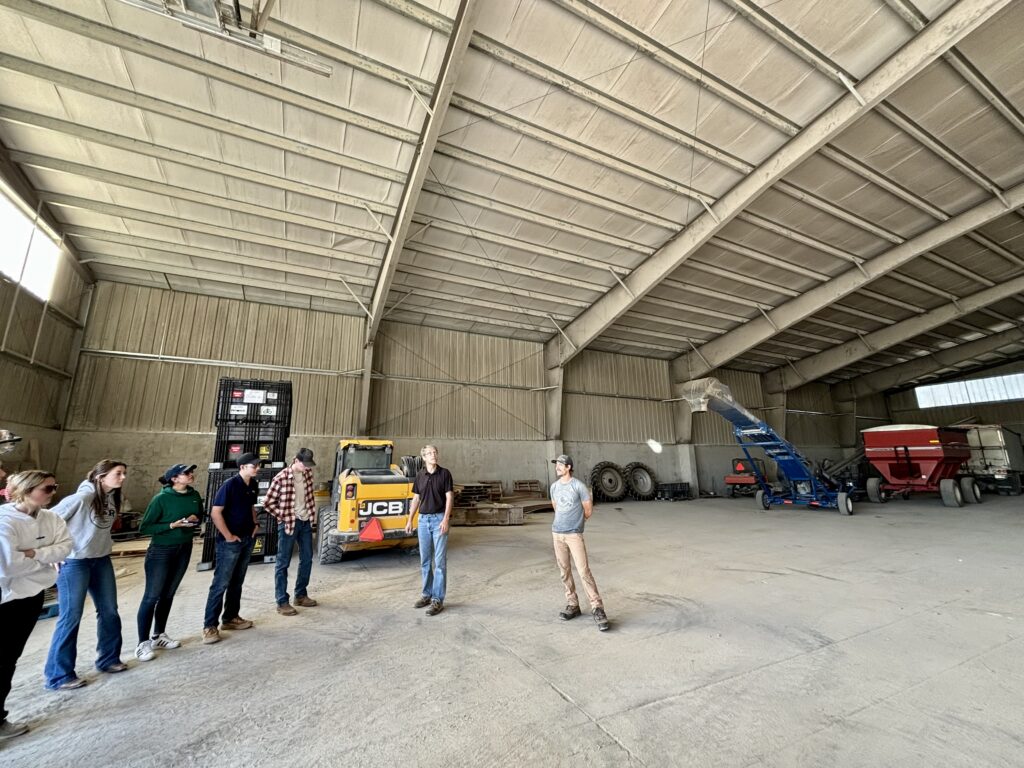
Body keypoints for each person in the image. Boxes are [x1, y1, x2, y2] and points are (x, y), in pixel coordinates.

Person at [44, 460, 130, 690]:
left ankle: (108, 658)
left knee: (110, 610)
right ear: (101, 476)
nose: (122, 478)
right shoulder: (81, 498)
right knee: (71, 615)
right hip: (75, 562)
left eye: (123, 474)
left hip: (100, 560)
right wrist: (52, 553)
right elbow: (48, 521)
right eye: (118, 473)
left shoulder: (111, 498)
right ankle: (59, 674)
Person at [0, 471, 72, 739]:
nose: (53, 492)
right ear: (27, 490)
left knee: (9, 660)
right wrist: (43, 559)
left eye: (54, 487)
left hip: (32, 596)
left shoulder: (52, 518)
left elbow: (65, 548)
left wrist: (33, 554)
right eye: (47, 488)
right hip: (6, 597)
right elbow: (7, 564)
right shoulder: (4, 520)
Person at [134, 463, 203, 662]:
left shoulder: (193, 495)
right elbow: (145, 527)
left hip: (184, 547)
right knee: (152, 595)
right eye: (186, 473)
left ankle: (159, 635)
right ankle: (142, 643)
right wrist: (173, 525)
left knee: (168, 594)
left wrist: (194, 519)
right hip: (162, 550)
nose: (191, 475)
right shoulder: (161, 499)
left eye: (191, 472)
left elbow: (199, 515)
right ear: (174, 478)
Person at [202, 453, 259, 644]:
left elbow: (251, 506)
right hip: (230, 542)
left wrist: (255, 523)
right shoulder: (230, 485)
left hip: (246, 539)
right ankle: (210, 626)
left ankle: (231, 618)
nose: (257, 468)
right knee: (221, 583)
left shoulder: (252, 485)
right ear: (242, 467)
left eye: (258, 465)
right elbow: (215, 512)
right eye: (254, 466)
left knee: (237, 582)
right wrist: (227, 536)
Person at [549, 455, 609, 631]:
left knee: (583, 571)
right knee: (564, 571)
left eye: (560, 465)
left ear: (568, 467)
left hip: (574, 535)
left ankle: (597, 608)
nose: (557, 467)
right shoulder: (554, 487)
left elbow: (588, 510)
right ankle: (572, 604)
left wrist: (575, 525)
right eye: (556, 465)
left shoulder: (579, 486)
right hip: (557, 534)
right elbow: (556, 507)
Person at [263, 448, 318, 616]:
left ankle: (300, 595)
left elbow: (308, 497)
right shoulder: (280, 478)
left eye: (308, 465)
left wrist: (310, 515)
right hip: (288, 524)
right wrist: (284, 516)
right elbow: (268, 502)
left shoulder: (308, 475)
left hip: (305, 522)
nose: (306, 468)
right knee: (283, 562)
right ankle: (282, 601)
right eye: (304, 464)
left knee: (307, 558)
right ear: (295, 460)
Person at [404, 445, 453, 616]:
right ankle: (426, 594)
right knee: (425, 560)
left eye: (435, 452)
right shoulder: (420, 476)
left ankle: (437, 599)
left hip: (439, 520)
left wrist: (446, 518)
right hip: (423, 521)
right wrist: (410, 519)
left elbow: (449, 497)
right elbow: (416, 498)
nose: (434, 455)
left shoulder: (445, 474)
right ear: (423, 457)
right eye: (430, 453)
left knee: (439, 562)